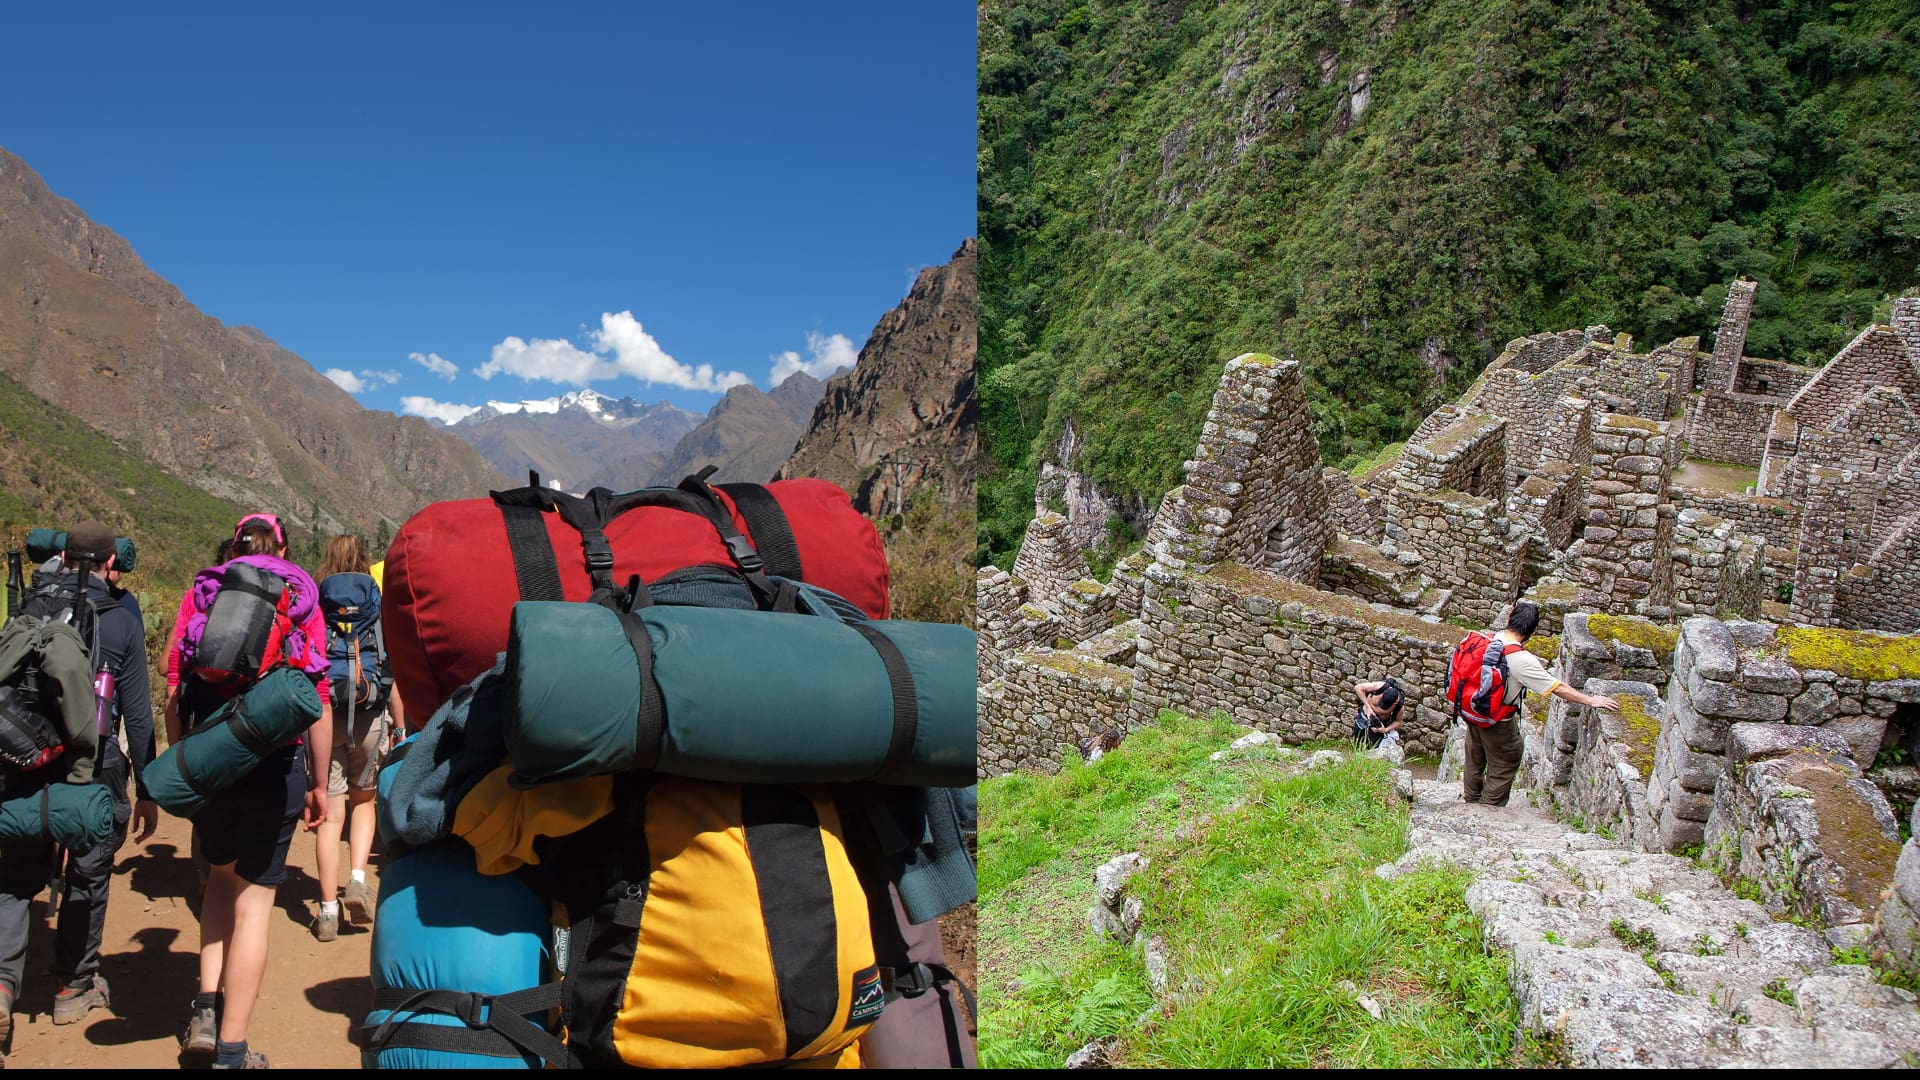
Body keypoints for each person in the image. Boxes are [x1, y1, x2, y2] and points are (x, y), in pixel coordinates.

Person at [165, 513, 332, 1070]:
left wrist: (184, 758)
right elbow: (317, 695)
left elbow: (175, 681)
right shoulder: (301, 595)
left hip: (211, 758)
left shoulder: (206, 589)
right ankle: (233, 1050)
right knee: (256, 903)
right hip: (274, 760)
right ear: (283, 547)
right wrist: (317, 780)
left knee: (217, 882)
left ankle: (205, 1012)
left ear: (234, 544)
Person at [0, 522, 156, 1050]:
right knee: (90, 871)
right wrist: (149, 786)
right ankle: (74, 984)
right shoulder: (120, 614)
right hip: (96, 761)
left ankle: (2, 985)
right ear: (112, 563)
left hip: (25, 755)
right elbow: (136, 709)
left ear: (61, 556)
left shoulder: (31, 602)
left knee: (17, 873)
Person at [311, 535, 404, 942]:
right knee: (363, 801)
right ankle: (357, 880)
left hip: (324, 713)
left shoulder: (315, 601)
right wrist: (399, 726)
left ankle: (328, 911)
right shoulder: (376, 603)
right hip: (369, 712)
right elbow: (391, 666)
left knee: (331, 815)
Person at [1461, 600, 1619, 807]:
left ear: (1510, 619)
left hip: (1472, 711)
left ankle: (1471, 800)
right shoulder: (1521, 660)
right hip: (1498, 720)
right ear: (1531, 630)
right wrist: (1590, 700)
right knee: (1505, 761)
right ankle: (1488, 809)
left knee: (1474, 757)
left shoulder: (1484, 640)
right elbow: (1557, 687)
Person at [1351, 677, 1404, 749]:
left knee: (1372, 748)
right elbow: (1358, 688)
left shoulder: (1399, 706)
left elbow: (1398, 722)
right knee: (1356, 742)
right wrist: (1368, 707)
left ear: (1395, 702)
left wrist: (1385, 730)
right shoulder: (1379, 687)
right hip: (1363, 718)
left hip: (1377, 727)